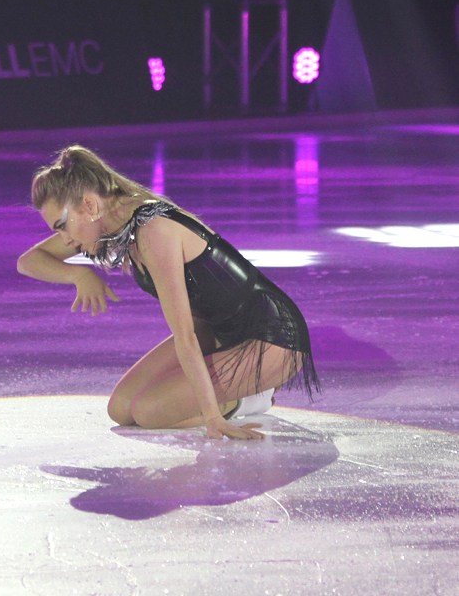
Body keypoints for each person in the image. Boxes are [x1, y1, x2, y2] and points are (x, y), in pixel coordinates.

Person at [17, 146, 319, 440]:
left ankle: (250, 399)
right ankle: (232, 389)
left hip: (270, 339)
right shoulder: (116, 219)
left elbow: (185, 336)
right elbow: (28, 261)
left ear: (90, 206)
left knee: (149, 412)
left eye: (62, 226)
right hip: (218, 331)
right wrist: (79, 274)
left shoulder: (153, 232)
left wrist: (212, 417)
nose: (64, 240)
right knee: (121, 409)